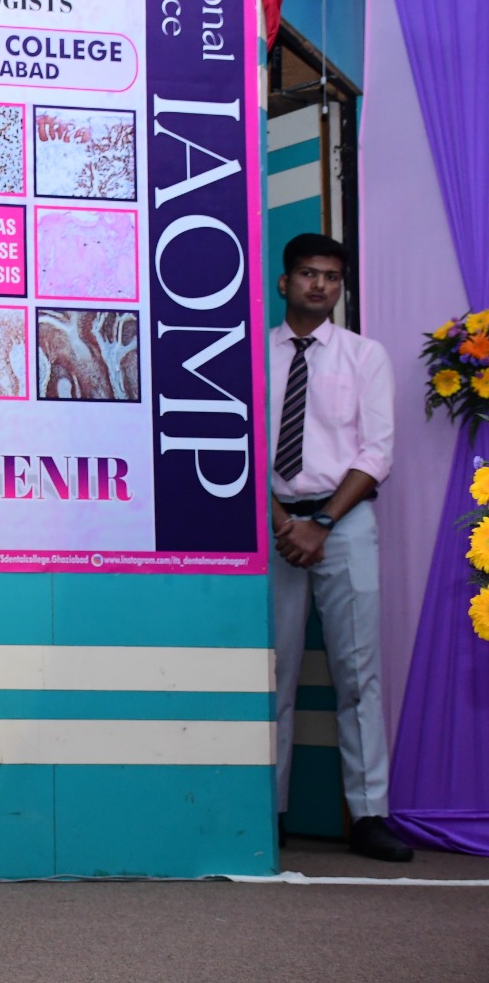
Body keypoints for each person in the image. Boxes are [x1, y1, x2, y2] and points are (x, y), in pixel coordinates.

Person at [269, 233, 410, 862]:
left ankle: (369, 815)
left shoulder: (364, 356)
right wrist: (282, 520)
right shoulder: (250, 355)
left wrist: (320, 522)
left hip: (343, 523)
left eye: (331, 276)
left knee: (358, 674)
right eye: (308, 273)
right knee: (273, 675)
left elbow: (377, 453)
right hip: (271, 526)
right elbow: (239, 445)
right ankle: (267, 812)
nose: (320, 285)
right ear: (285, 282)